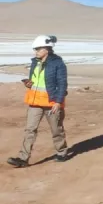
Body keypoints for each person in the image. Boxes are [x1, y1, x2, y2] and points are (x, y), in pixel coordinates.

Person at [7, 35, 69, 168]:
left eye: (38, 49)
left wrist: (58, 102)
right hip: (35, 102)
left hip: (51, 103)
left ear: (47, 49)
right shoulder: (35, 62)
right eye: (35, 49)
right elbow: (37, 81)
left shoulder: (58, 63)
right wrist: (29, 84)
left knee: (56, 130)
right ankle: (23, 158)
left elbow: (62, 84)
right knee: (30, 129)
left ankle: (61, 152)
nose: (35, 52)